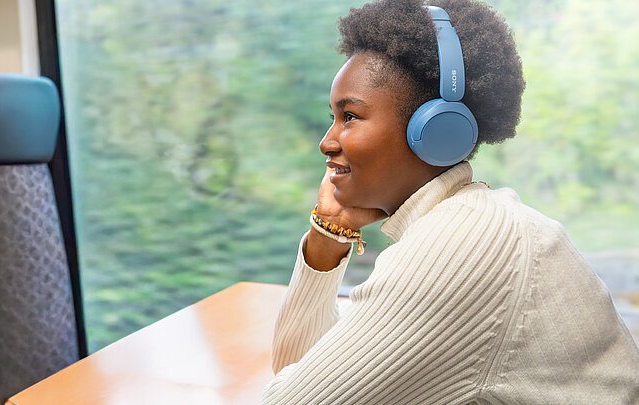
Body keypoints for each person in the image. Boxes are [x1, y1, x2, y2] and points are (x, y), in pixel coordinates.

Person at [261, 0, 639, 404]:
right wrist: (329, 231)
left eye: (349, 116)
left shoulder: (464, 243)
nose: (327, 141)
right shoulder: (463, 221)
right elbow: (300, 369)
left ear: (437, 128)